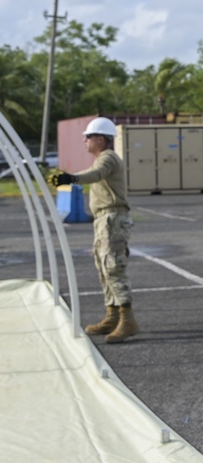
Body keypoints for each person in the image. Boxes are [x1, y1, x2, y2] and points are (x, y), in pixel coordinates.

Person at [47, 116, 137, 343]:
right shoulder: (102, 159)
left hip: (112, 219)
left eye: (88, 137)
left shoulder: (108, 158)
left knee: (113, 267)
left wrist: (71, 178)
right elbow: (94, 173)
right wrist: (69, 177)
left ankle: (127, 320)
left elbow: (95, 175)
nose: (85, 141)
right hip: (104, 220)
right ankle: (112, 314)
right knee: (103, 266)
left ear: (101, 139)